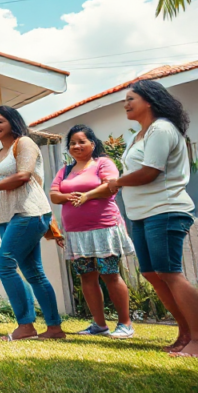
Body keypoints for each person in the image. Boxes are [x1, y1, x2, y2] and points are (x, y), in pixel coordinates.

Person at [105, 80, 198, 357]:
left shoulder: (162, 129)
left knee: (169, 273)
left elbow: (150, 171)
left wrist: (116, 182)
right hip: (141, 213)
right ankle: (185, 332)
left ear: (149, 101)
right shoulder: (138, 135)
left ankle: (197, 338)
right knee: (151, 273)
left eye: (131, 98)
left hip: (165, 209)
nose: (125, 104)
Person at [0, 106, 64, 341]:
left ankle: (26, 325)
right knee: (34, 272)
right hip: (6, 219)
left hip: (29, 213)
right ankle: (54, 329)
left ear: (13, 121)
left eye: (0, 121)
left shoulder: (24, 143)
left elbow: (23, 175)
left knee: (5, 264)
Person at [49, 124, 135, 339]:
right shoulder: (65, 170)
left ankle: (125, 324)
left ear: (92, 144)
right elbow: (54, 195)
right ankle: (99, 325)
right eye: (72, 143)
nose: (76, 146)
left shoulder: (103, 163)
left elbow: (110, 186)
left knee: (110, 275)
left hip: (104, 229)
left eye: (82, 142)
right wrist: (70, 196)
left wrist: (87, 196)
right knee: (86, 276)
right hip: (76, 233)